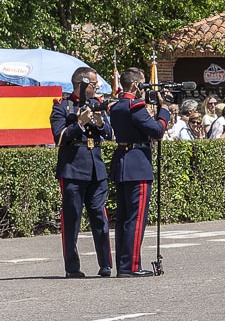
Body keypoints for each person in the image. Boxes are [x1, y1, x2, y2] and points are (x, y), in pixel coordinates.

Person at [50, 68, 112, 278]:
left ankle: (106, 263)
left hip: (96, 167)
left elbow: (109, 134)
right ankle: (72, 267)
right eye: (94, 84)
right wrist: (79, 123)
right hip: (73, 168)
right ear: (82, 84)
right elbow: (58, 137)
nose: (97, 88)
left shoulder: (97, 105)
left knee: (100, 217)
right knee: (72, 219)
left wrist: (100, 121)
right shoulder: (62, 106)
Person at [106, 67, 166, 277]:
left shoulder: (117, 106)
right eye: (142, 82)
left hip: (123, 162)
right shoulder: (135, 106)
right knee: (136, 218)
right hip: (137, 166)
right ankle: (131, 266)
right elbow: (157, 131)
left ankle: (124, 264)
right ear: (135, 84)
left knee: (124, 218)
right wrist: (164, 110)